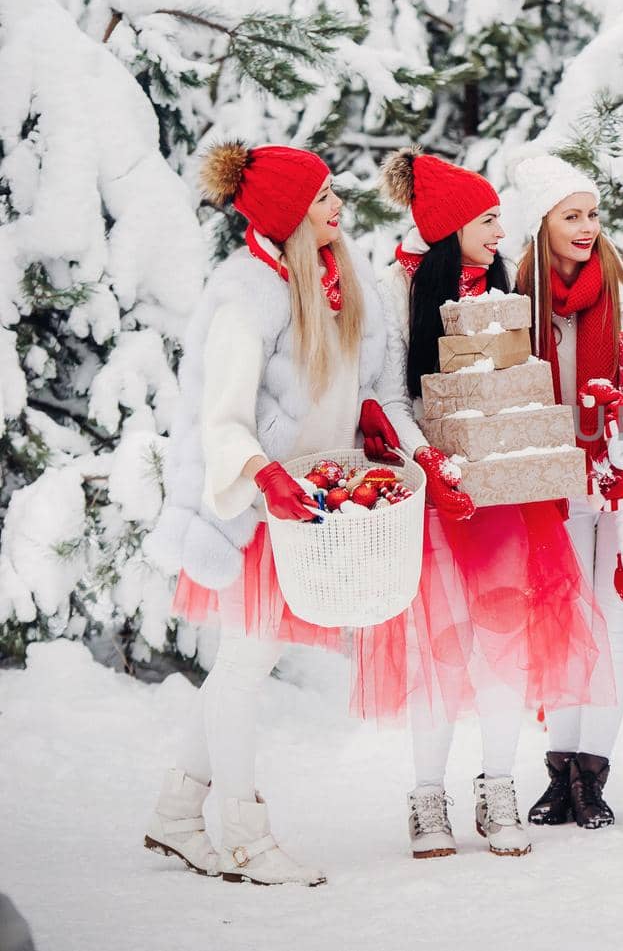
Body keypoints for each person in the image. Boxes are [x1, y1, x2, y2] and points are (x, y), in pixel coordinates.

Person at [143, 142, 396, 886]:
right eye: (320, 199)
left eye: (332, 194)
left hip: (309, 500)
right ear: (288, 215)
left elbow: (336, 386)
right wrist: (262, 475)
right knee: (246, 667)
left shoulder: (325, 280)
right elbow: (220, 416)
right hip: (257, 509)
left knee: (242, 664)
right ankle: (246, 838)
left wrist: (368, 417)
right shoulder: (248, 294)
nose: (336, 208)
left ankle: (177, 812)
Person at [356, 149, 608, 859]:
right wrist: (426, 459)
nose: (502, 232)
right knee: (442, 641)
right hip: (432, 496)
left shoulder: (498, 288)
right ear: (451, 226)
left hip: (499, 497)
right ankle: (426, 793)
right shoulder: (395, 290)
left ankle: (498, 783)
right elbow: (389, 395)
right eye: (488, 219)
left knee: (503, 640)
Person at [512, 154, 623, 829]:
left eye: (593, 214)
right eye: (572, 216)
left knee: (612, 622)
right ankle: (559, 768)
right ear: (541, 225)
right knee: (560, 622)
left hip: (620, 483)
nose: (587, 227)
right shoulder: (519, 302)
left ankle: (593, 774)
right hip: (551, 483)